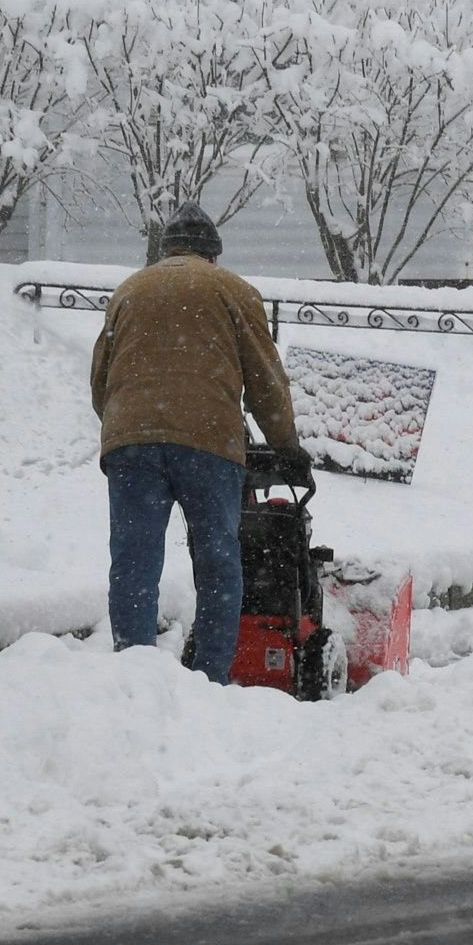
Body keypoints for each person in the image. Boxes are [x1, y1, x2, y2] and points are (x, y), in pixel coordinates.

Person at [88, 203, 310, 683]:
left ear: (166, 251)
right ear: (213, 255)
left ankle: (133, 674)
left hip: (131, 444)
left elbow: (100, 381)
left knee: (134, 559)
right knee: (216, 559)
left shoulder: (129, 289)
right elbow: (266, 382)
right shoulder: (233, 290)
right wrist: (287, 447)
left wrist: (134, 428)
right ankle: (210, 677)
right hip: (208, 446)